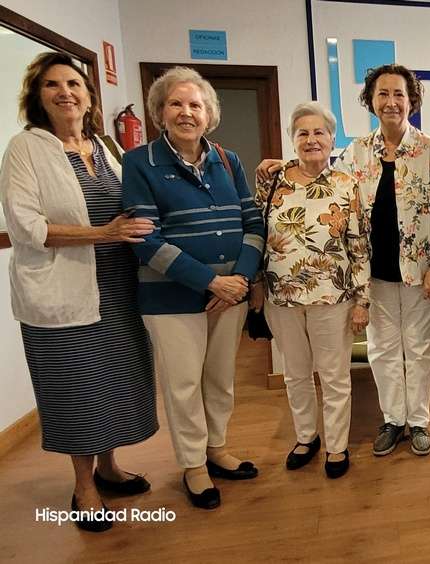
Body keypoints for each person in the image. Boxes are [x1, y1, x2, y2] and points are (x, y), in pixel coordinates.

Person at [0, 52, 157, 533]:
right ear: (37, 95)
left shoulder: (105, 146)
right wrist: (104, 234)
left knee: (114, 382)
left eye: (73, 83)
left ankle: (108, 467)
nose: (65, 92)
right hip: (61, 295)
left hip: (117, 289)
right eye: (52, 84)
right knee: (76, 389)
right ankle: (83, 487)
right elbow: (26, 227)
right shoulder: (25, 149)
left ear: (89, 96)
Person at [121, 66, 265, 510]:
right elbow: (145, 238)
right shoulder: (139, 162)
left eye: (196, 105)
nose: (187, 112)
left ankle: (216, 448)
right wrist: (211, 281)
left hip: (230, 294)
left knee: (220, 379)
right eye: (176, 104)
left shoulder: (227, 160)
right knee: (183, 384)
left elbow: (253, 223)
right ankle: (193, 465)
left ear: (209, 114)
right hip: (171, 299)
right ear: (160, 112)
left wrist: (239, 280)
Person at [334, 64, 430, 457]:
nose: (391, 102)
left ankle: (418, 422)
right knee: (382, 349)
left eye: (398, 94)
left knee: (418, 350)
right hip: (374, 275)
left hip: (420, 273)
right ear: (371, 101)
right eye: (382, 94)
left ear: (411, 100)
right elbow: (331, 196)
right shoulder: (354, 153)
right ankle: (393, 420)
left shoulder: (429, 151)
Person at [249, 101, 370, 479]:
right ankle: (306, 437)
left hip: (332, 298)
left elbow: (359, 246)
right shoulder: (272, 181)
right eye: (303, 133)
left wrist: (363, 300)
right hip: (281, 298)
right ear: (293, 139)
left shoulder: (346, 185)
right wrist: (255, 285)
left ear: (332, 139)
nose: (311, 139)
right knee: (296, 373)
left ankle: (337, 445)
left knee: (334, 376)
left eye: (319, 132)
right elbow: (255, 234)